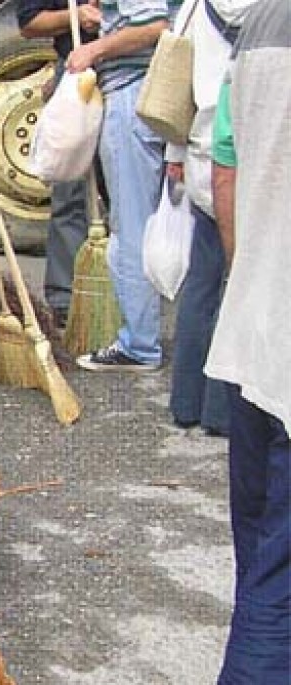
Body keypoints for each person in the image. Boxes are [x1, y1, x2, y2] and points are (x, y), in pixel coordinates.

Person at [206, 0, 290, 679]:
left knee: (262, 572)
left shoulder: (259, 22)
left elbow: (224, 174)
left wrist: (250, 278)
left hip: (253, 333)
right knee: (278, 587)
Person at [165, 0, 257, 436]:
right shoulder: (272, 11)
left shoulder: (197, 7)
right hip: (249, 157)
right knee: (240, 289)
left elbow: (173, 77)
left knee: (202, 284)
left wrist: (175, 152)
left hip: (202, 152)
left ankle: (187, 401)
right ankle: (225, 410)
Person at [70, 0, 174, 371]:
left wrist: (93, 49)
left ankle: (140, 344)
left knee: (132, 224)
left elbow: (153, 26)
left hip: (134, 94)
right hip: (161, 93)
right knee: (173, 222)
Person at [17, 0, 101, 326]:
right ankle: (65, 301)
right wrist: (74, 17)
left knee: (126, 199)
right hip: (77, 76)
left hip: (127, 75)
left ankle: (125, 296)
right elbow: (29, 23)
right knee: (70, 193)